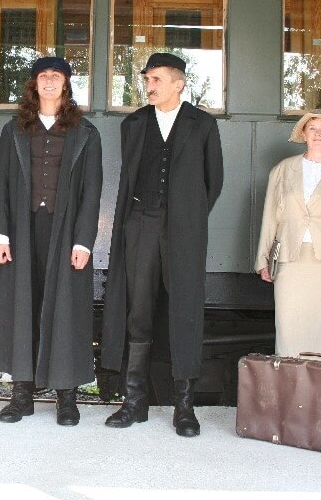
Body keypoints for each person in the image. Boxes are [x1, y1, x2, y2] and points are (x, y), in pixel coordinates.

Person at [102, 52, 223, 437]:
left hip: (184, 228)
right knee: (138, 311)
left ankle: (184, 407)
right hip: (141, 224)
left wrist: (187, 215)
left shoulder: (203, 124)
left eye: (156, 79)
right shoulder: (134, 123)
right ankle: (134, 401)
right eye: (147, 80)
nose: (149, 86)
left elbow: (213, 181)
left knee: (184, 310)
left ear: (178, 83)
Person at [0, 56, 102, 427]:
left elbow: (91, 192)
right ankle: (22, 395)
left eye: (56, 76)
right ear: (34, 84)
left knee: (66, 310)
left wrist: (83, 242)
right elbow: (2, 183)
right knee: (22, 306)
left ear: (65, 84)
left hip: (65, 232)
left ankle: (67, 398)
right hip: (23, 229)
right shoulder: (14, 131)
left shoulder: (85, 133)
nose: (49, 81)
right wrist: (0, 234)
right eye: (43, 76)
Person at [254, 109, 321, 363]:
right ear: (304, 134)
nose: (318, 134)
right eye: (312, 128)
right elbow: (270, 216)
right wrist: (262, 258)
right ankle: (292, 385)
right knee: (289, 329)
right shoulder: (283, 170)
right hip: (290, 260)